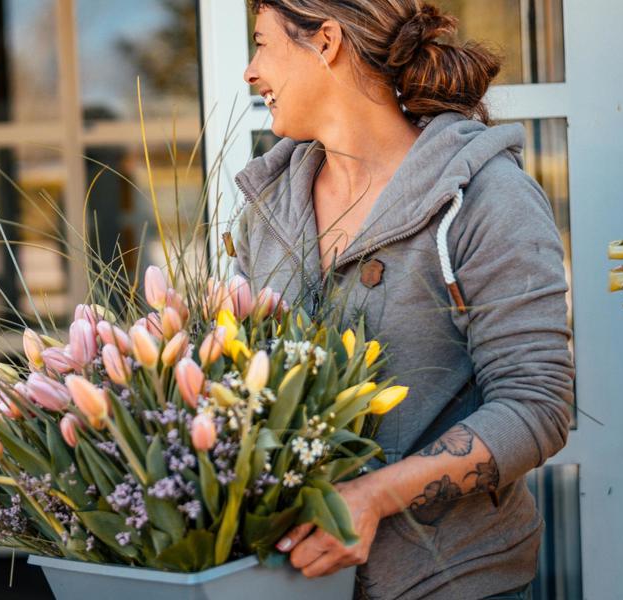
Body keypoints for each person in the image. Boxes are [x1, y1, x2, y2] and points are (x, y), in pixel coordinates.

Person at [234, 2, 573, 599]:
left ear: (327, 41)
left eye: (262, 44)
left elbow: (537, 406)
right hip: (286, 583)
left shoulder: (487, 197)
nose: (250, 71)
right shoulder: (267, 208)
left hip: (451, 580)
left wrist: (370, 497)